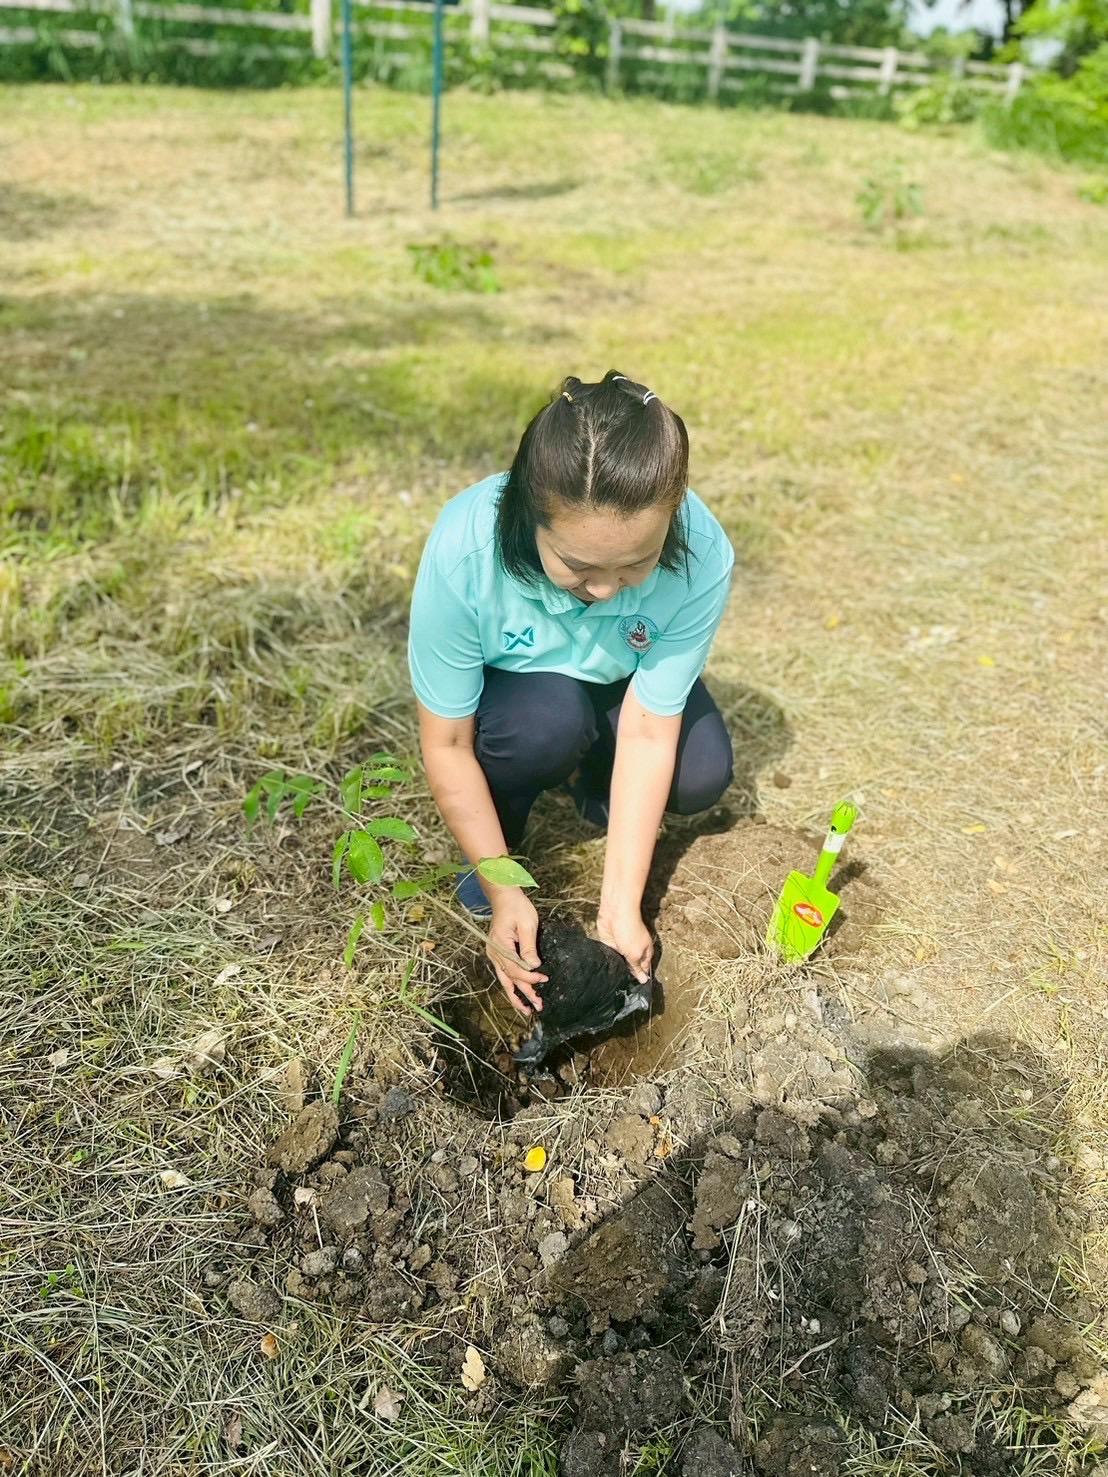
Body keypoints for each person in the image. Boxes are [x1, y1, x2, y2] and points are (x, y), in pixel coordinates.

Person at [407, 370, 735, 1015]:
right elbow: (447, 742)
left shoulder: (702, 552)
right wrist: (504, 892)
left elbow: (648, 729)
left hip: (621, 683)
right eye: (579, 567)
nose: (609, 589)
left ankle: (593, 782)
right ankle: (505, 835)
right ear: (530, 513)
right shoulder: (465, 550)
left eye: (637, 563)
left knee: (700, 775)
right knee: (542, 727)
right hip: (529, 692)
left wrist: (621, 908)